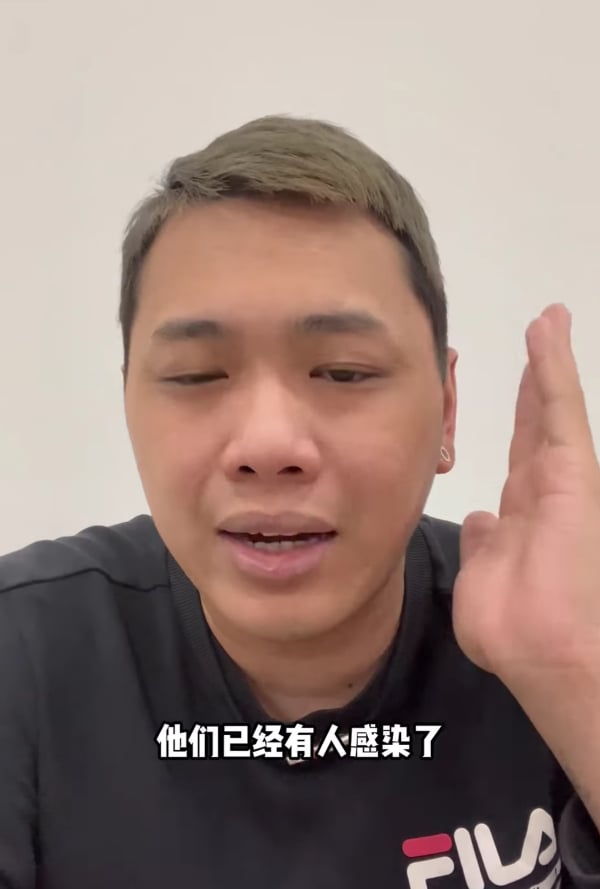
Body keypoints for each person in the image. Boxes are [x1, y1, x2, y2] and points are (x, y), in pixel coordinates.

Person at [0, 115, 599, 889]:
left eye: (343, 372)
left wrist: (574, 676)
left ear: (447, 410)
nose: (269, 443)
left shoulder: (556, 634)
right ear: (129, 405)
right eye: (195, 375)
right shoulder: (24, 654)